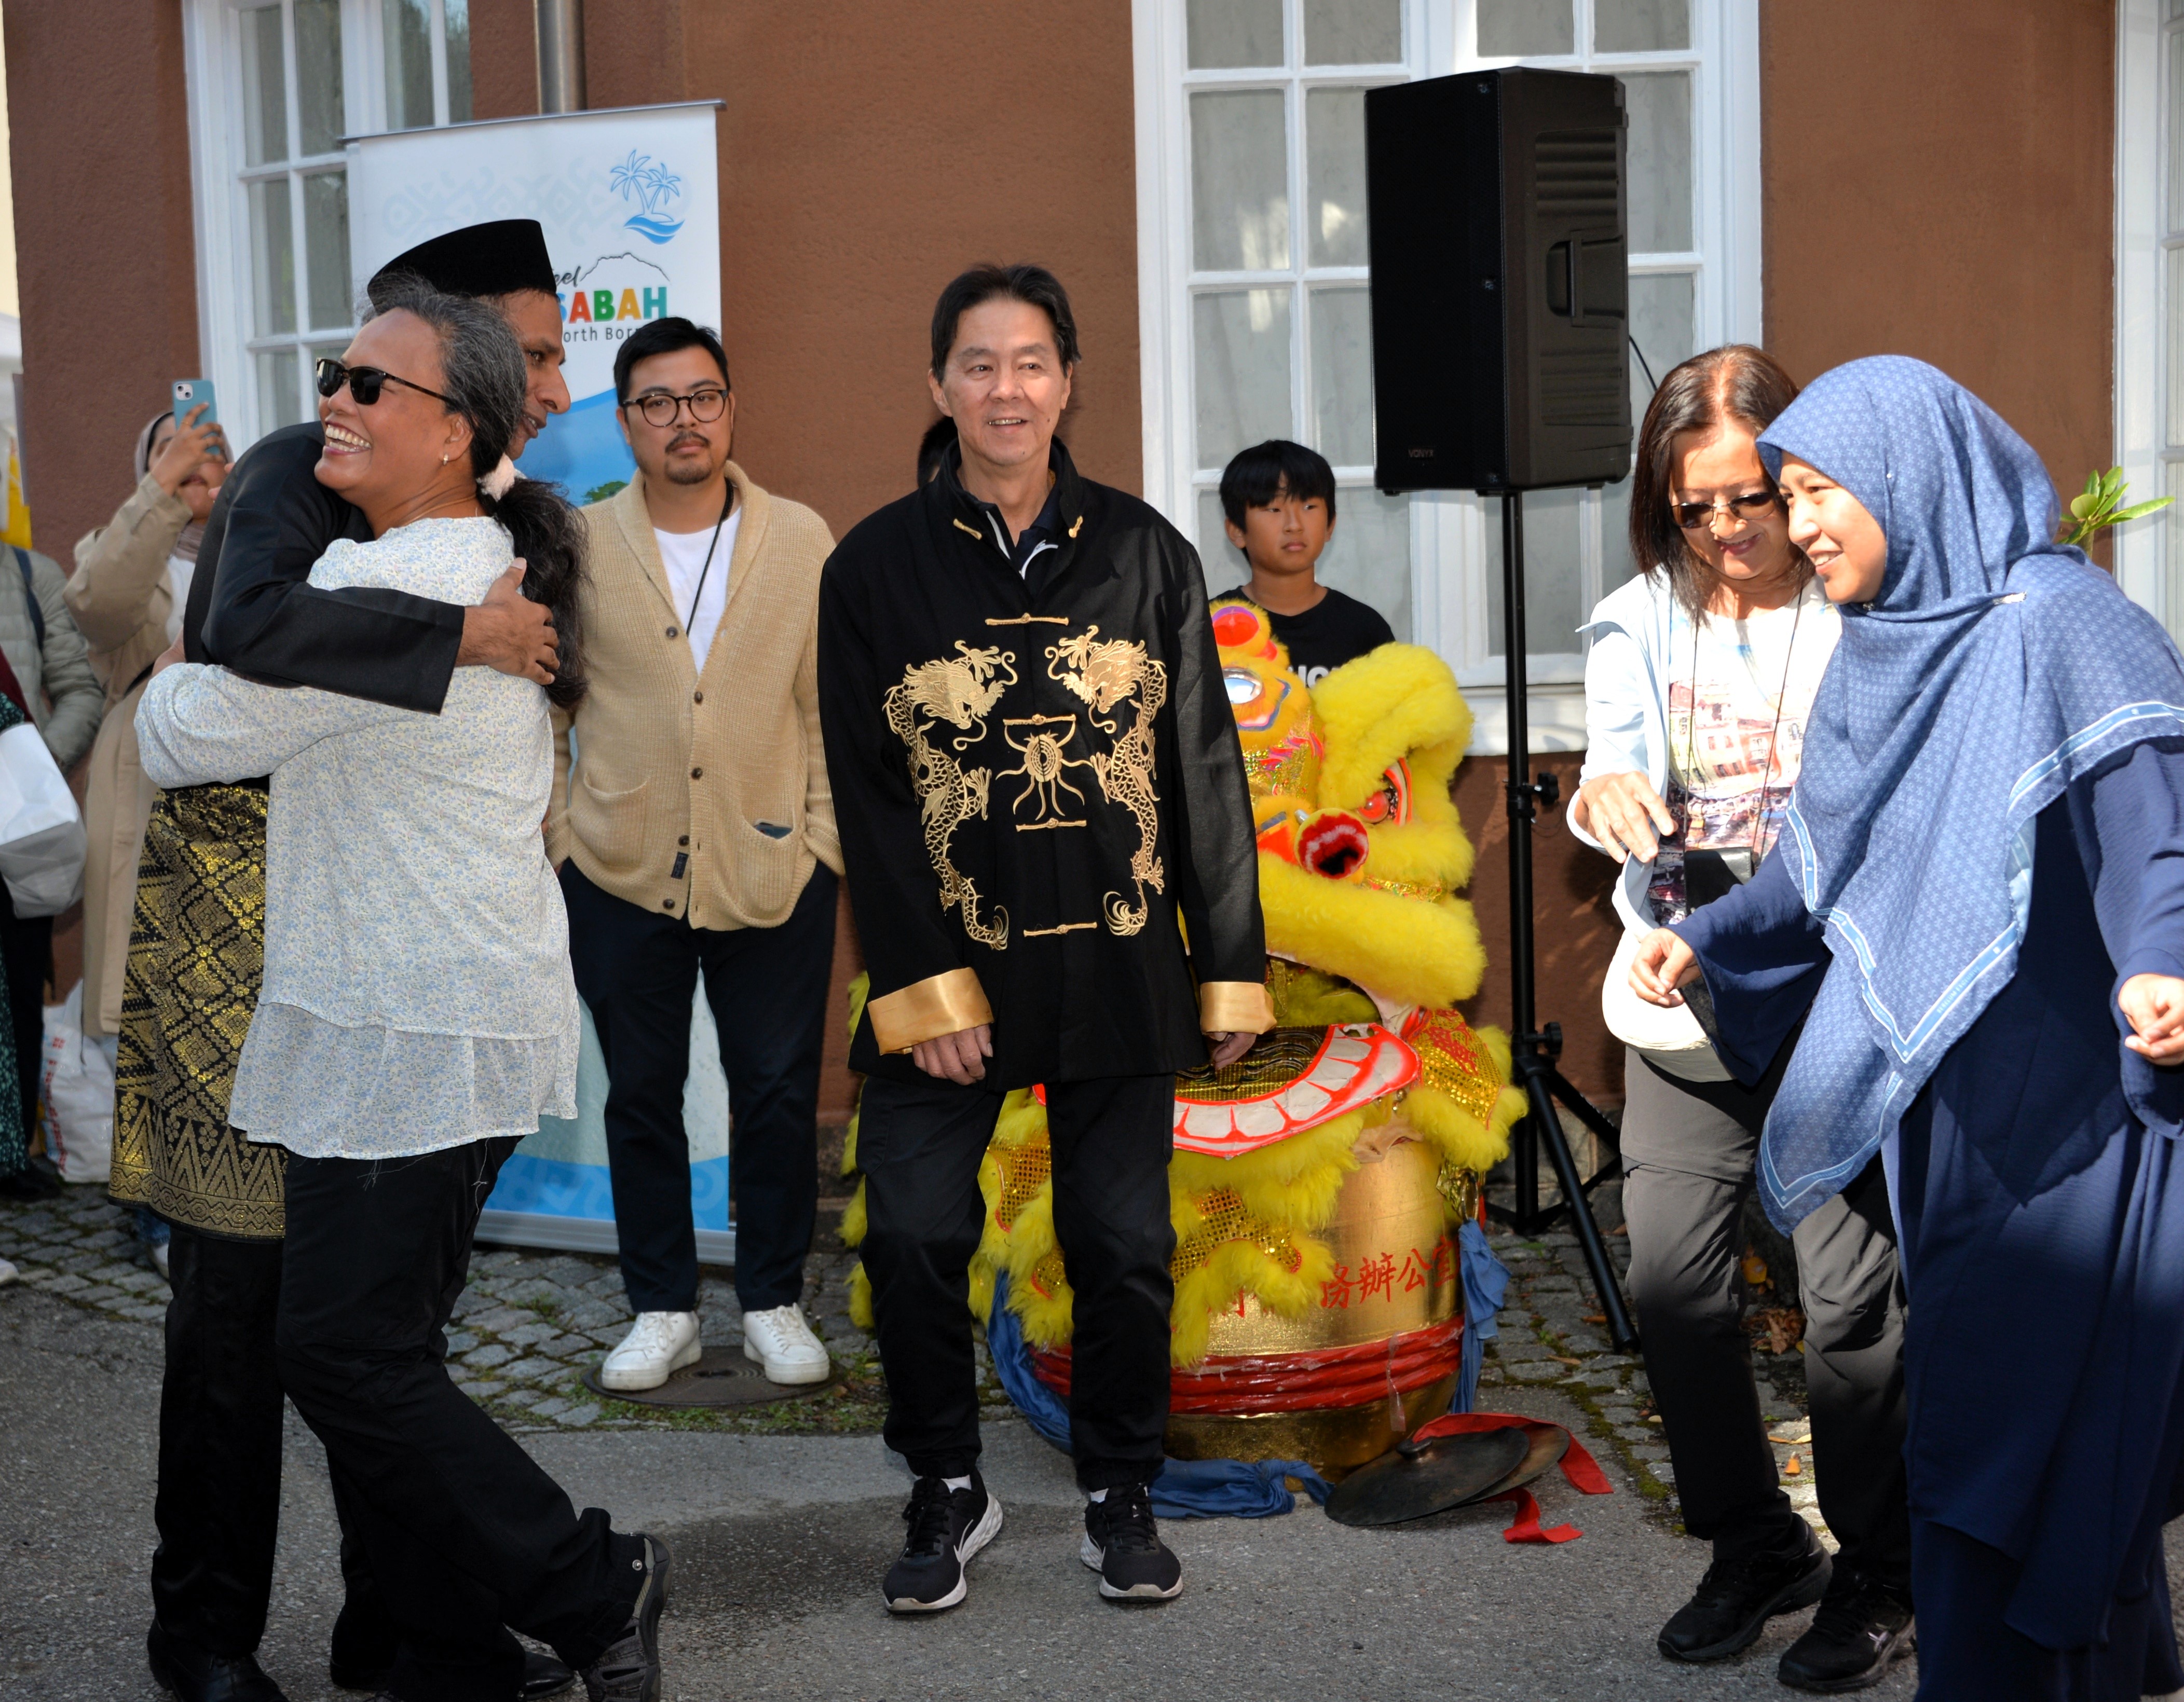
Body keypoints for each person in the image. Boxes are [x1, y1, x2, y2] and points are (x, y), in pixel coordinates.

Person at [136, 281, 667, 1702]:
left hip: (409, 1025)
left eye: (374, 384)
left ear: (455, 435)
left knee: (343, 1353)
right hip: (418, 1016)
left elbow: (179, 733)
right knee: (381, 1354)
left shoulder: (414, 581)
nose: (336, 399)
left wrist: (175, 675)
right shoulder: (447, 571)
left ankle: (588, 1577)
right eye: (334, 373)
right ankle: (440, 1646)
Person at [1631, 355, 2184, 1700]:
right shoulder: (1888, 646)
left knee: (2011, 1428)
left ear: (1913, 478)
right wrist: (1707, 935)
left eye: (1822, 493)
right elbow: (1822, 862)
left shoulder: (2060, 621)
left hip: (2071, 1117)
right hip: (1947, 1120)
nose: (1800, 523)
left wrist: (2163, 965)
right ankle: (2101, 1663)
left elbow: (2152, 827)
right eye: (1790, 495)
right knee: (2007, 1413)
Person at [818, 262, 1272, 1613]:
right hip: (948, 966)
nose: (1005, 389)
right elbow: (870, 795)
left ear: (1068, 382)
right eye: (979, 364)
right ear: (939, 383)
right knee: (909, 1230)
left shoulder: (1147, 552)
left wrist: (1228, 963)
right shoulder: (873, 567)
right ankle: (946, 1480)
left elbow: (1201, 769)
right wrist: (925, 985)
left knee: (1121, 1241)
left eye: (1030, 363)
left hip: (1116, 958)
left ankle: (1119, 1485)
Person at [1570, 346, 1912, 1690]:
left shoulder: (1862, 602)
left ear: (1799, 476)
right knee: (1671, 1281)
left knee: (1849, 1304)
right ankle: (1755, 1540)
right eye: (1692, 504)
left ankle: (1882, 1571)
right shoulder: (1636, 618)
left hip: (1835, 994)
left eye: (1748, 497)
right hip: (1686, 986)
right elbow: (1613, 760)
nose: (1724, 527)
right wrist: (1604, 794)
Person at [554, 316, 840, 1391]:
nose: (686, 419)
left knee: (776, 1092)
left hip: (775, 866)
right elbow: (545, 707)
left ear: (730, 407)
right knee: (639, 1093)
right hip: (617, 870)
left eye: (704, 396)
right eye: (659, 402)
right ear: (627, 422)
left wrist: (823, 846)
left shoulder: (799, 539)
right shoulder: (579, 544)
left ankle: (771, 1301)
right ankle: (661, 1307)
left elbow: (825, 708)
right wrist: (559, 842)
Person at [67, 401, 231, 1272]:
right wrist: (161, 498)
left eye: (212, 452)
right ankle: (160, 1218)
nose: (198, 466)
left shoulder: (266, 546)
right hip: (150, 801)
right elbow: (96, 607)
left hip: (248, 803)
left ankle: (232, 1199)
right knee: (149, 1013)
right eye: (174, 454)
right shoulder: (122, 553)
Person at [0, 490, 102, 1201]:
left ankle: (13, 1151)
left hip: (14, 829)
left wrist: (30, 768)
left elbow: (79, 690)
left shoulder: (30, 575)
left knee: (18, 978)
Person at [1210, 439, 1391, 685]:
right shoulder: (1211, 628)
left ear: (1330, 525)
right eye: (1274, 509)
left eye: (1309, 506)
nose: (1294, 525)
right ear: (1237, 531)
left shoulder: (1364, 629)